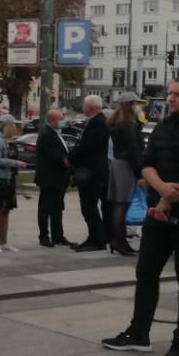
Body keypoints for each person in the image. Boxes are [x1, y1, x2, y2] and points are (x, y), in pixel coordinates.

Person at [102, 76, 179, 356]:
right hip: (159, 213)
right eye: (170, 93)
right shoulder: (164, 126)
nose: (170, 98)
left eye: (178, 94)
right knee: (146, 272)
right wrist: (161, 189)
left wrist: (167, 197)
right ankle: (139, 333)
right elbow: (146, 161)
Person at [107, 93, 147, 256]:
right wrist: (139, 173)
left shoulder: (118, 123)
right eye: (137, 104)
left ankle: (119, 240)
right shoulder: (128, 125)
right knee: (122, 204)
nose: (139, 107)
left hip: (119, 164)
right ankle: (118, 241)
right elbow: (133, 150)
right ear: (131, 105)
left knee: (120, 204)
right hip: (126, 165)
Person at [70, 95, 110, 252]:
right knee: (90, 207)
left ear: (90, 107)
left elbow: (86, 148)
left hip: (91, 172)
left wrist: (71, 158)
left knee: (88, 207)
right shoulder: (99, 122)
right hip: (96, 171)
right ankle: (95, 237)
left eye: (84, 105)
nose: (82, 107)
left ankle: (97, 239)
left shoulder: (96, 124)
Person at [0, 116, 26, 253]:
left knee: (6, 211)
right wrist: (15, 163)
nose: (16, 128)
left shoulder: (10, 142)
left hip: (9, 179)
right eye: (14, 125)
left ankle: (4, 242)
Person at [34, 109, 72, 248]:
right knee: (45, 208)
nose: (63, 122)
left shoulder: (55, 133)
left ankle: (58, 236)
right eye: (60, 119)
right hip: (49, 178)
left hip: (58, 178)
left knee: (57, 207)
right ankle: (44, 236)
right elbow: (56, 157)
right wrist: (68, 162)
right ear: (52, 120)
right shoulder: (47, 134)